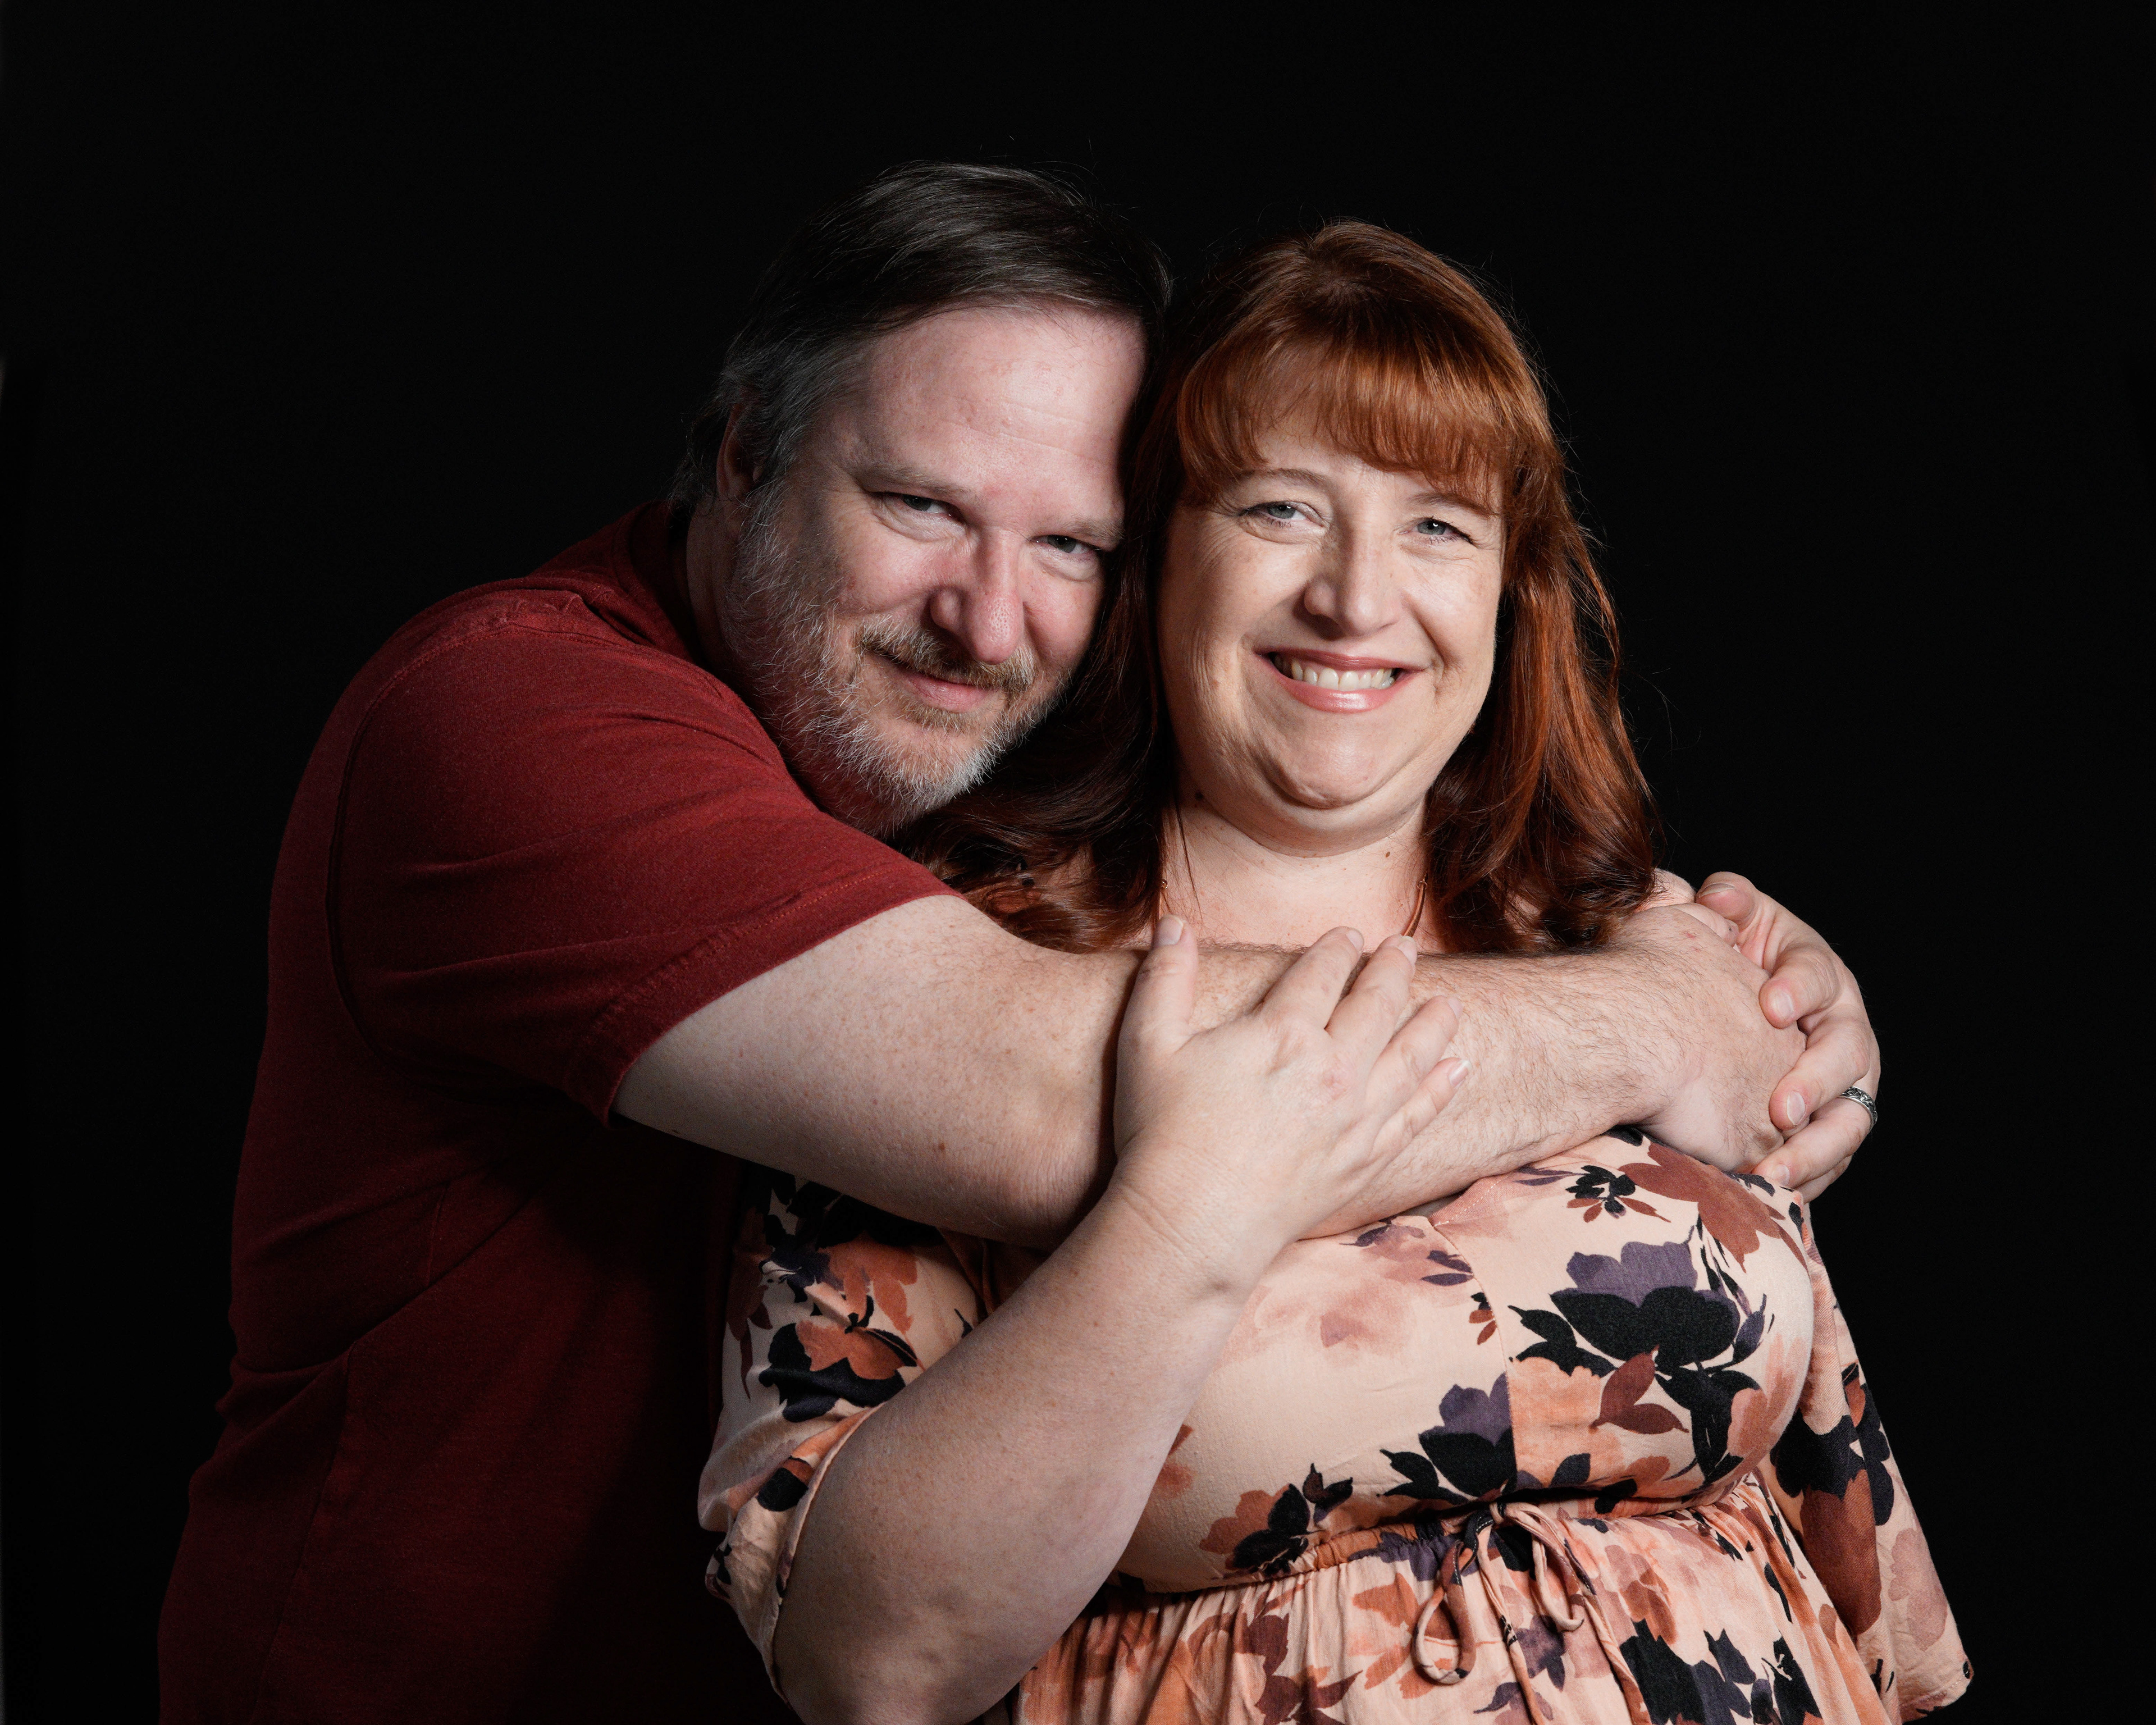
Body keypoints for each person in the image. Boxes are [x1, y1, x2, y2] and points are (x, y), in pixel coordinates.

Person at [159, 165, 1881, 1724]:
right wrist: (1658, 1017)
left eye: (1069, 544)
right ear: (744, 450)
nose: (988, 618)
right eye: (920, 504)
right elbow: (1056, 1099)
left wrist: (1723, 970)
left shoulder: (973, 771)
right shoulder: (510, 718)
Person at [704, 225, 1964, 1723]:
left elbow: (1860, 1584)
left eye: (1438, 525)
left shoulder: (1642, 946)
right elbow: (865, 1658)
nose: (1357, 600)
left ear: (1511, 590)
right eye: (1282, 510)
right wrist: (1187, 1216)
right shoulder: (954, 979)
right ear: (1157, 554)